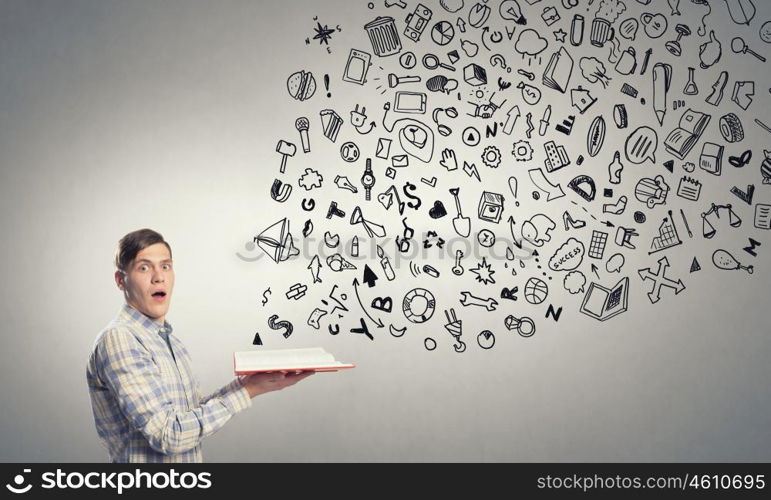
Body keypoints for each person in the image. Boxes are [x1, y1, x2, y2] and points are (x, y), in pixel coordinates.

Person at [86, 228, 313, 462]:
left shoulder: (169, 340)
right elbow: (169, 435)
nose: (158, 277)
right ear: (120, 280)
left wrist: (250, 384)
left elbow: (188, 419)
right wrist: (248, 391)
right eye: (144, 267)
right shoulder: (120, 339)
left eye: (165, 266)